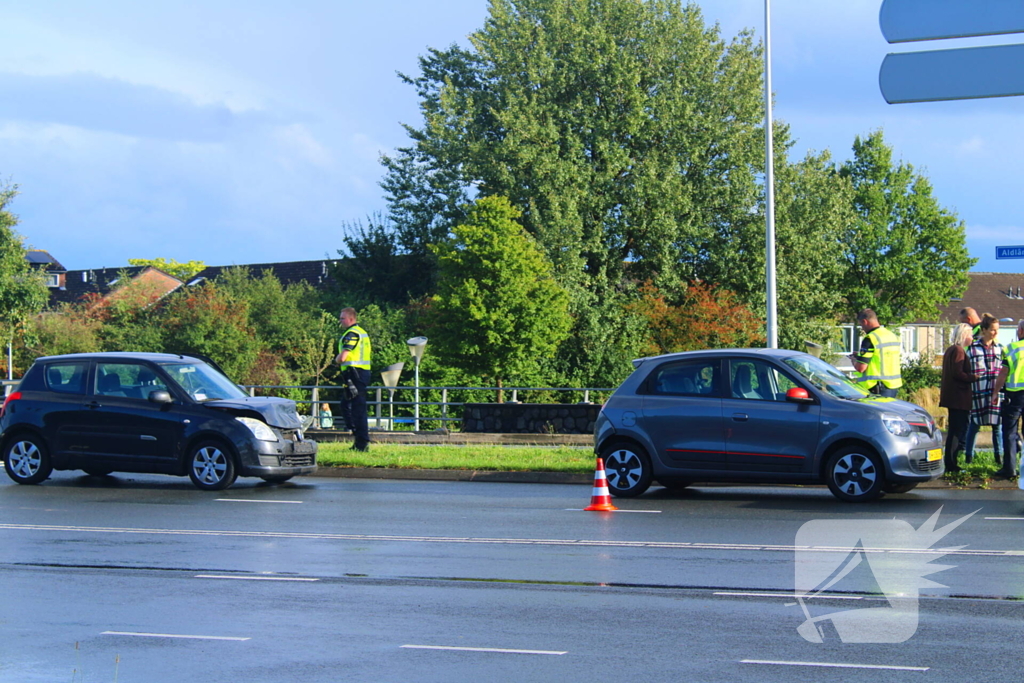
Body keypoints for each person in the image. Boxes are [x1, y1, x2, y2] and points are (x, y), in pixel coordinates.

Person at [965, 314, 1002, 466]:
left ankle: (999, 458)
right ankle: (968, 457)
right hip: (978, 392)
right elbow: (966, 370)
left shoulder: (1000, 349)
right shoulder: (972, 350)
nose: (995, 333)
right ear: (984, 330)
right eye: (992, 330)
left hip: (996, 392)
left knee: (997, 426)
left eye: (997, 330)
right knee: (974, 425)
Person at [939, 323, 977, 472]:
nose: (972, 338)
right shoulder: (959, 351)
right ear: (964, 335)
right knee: (956, 431)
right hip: (958, 396)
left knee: (954, 430)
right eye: (970, 335)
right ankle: (951, 464)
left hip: (952, 396)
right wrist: (973, 377)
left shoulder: (950, 350)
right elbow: (958, 373)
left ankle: (951, 462)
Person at [334, 307, 372, 451]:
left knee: (356, 408)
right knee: (349, 405)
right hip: (359, 374)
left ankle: (361, 442)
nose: (340, 321)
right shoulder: (361, 332)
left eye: (342, 318)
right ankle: (359, 439)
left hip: (355, 374)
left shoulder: (352, 334)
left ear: (351, 319)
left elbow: (343, 357)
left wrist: (336, 360)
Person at [992, 320, 1024, 479]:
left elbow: (1003, 373)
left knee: (1010, 432)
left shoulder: (1012, 349)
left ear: (1021, 331)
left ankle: (1010, 468)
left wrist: (995, 393)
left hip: (1015, 396)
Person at [850, 309, 902, 398]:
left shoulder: (870, 338)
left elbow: (861, 368)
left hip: (876, 388)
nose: (862, 328)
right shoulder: (891, 335)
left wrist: (854, 359)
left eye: (861, 325)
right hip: (893, 386)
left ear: (865, 321)